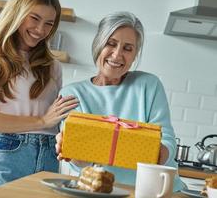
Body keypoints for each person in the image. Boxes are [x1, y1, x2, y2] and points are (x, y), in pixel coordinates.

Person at [55, 11, 184, 192]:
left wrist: (99, 144)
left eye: (128, 48)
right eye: (111, 43)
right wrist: (69, 149)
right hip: (104, 192)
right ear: (98, 44)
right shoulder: (72, 94)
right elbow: (82, 164)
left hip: (155, 192)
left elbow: (165, 147)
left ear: (134, 54)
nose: (117, 55)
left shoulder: (148, 85)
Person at [0, 0, 78, 191]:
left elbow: (54, 118)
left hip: (48, 156)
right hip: (8, 154)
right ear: (16, 14)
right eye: (34, 18)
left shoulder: (53, 66)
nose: (40, 30)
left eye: (48, 24)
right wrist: (41, 121)